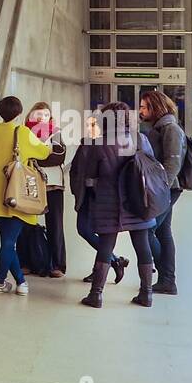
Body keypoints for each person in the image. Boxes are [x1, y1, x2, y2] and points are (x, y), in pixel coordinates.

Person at [78, 101, 162, 309]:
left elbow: (89, 178)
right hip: (139, 201)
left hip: (109, 202)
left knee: (106, 247)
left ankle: (96, 295)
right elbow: (150, 167)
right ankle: (146, 294)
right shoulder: (140, 139)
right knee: (142, 245)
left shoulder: (99, 144)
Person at [0, 95, 51, 294]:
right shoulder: (23, 132)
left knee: (7, 240)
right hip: (16, 194)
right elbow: (44, 152)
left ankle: (21, 283)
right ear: (19, 112)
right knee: (9, 241)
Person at [70, 112, 130, 288]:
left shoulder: (110, 145)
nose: (90, 129)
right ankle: (115, 260)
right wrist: (77, 189)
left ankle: (101, 270)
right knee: (83, 230)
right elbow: (75, 169)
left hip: (103, 197)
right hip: (86, 195)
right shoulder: (85, 144)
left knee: (103, 235)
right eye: (88, 126)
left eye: (94, 125)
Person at [140, 90, 186, 296]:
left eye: (144, 106)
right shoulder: (159, 127)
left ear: (155, 107)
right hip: (164, 188)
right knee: (162, 232)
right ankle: (168, 280)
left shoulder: (170, 128)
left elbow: (173, 163)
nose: (140, 109)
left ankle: (166, 277)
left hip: (167, 188)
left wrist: (159, 190)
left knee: (147, 231)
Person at [17, 102, 67, 277]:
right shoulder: (22, 132)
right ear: (29, 115)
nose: (41, 118)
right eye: (37, 114)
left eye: (45, 115)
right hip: (29, 184)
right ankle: (26, 262)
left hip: (53, 184)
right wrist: (43, 154)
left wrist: (34, 158)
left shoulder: (55, 132)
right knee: (25, 223)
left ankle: (57, 264)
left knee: (55, 223)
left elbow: (58, 157)